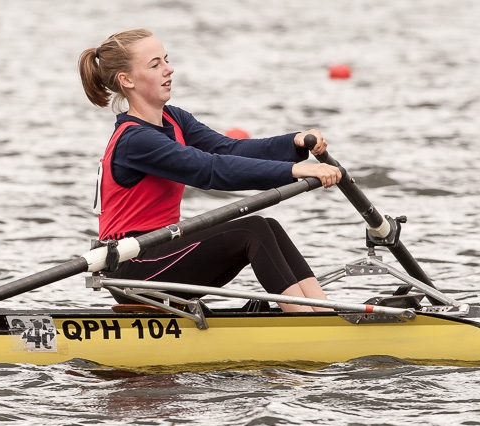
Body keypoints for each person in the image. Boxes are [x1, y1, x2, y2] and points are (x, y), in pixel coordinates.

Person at [78, 28, 342, 312]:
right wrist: (296, 171)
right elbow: (209, 170)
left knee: (269, 227)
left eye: (166, 60)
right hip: (133, 266)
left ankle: (325, 313)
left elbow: (229, 150)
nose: (169, 69)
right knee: (252, 230)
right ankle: (306, 322)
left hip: (161, 251)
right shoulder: (135, 140)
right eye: (155, 65)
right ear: (126, 80)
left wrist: (293, 142)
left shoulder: (174, 118)